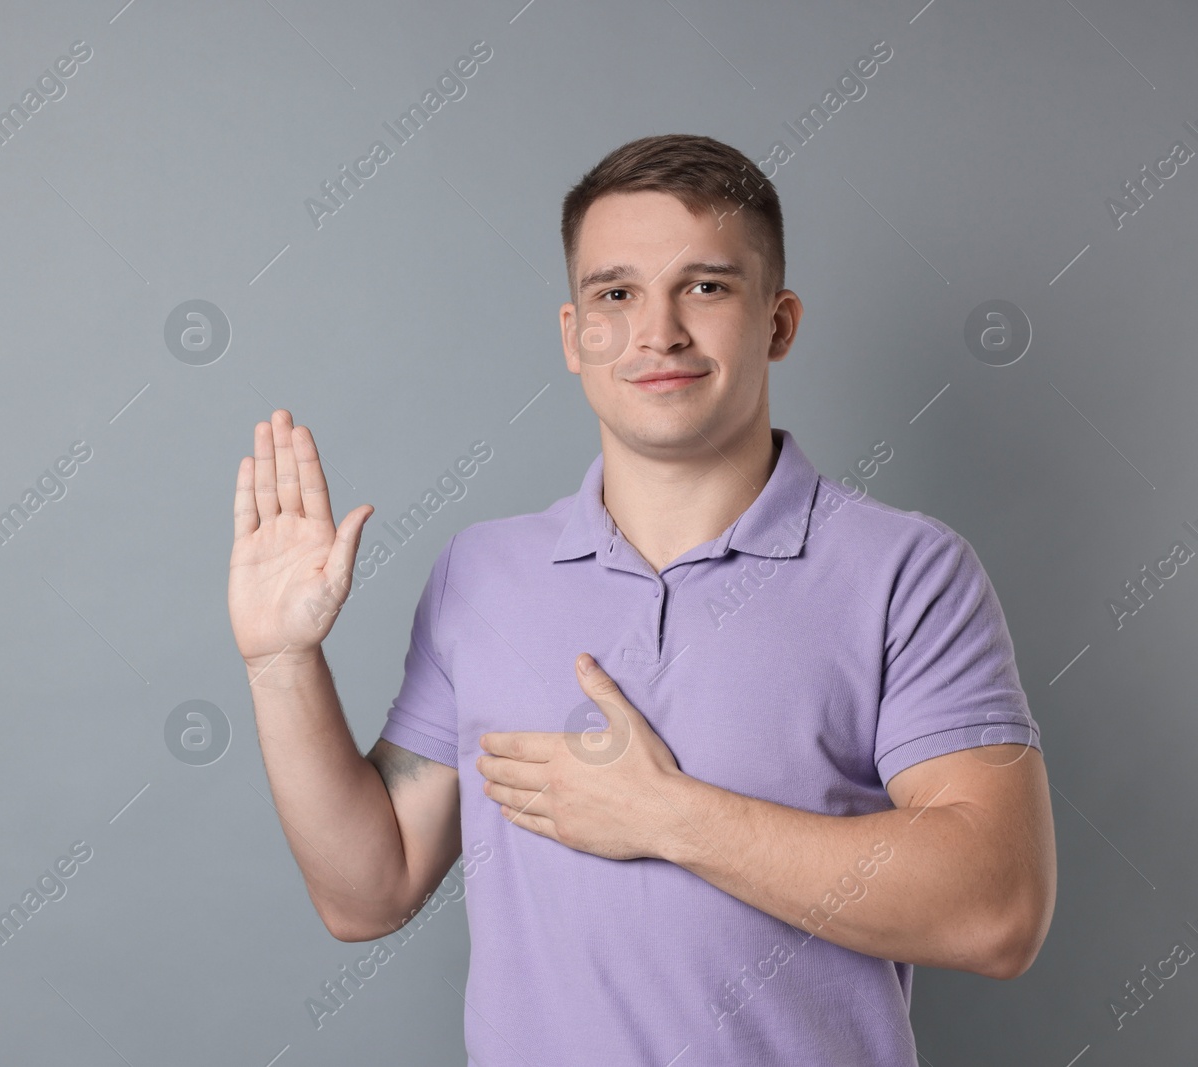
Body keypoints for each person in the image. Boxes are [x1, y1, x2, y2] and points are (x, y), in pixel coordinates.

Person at [228, 133, 1055, 1065]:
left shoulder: (909, 571)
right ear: (575, 335)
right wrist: (280, 663)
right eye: (615, 294)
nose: (656, 331)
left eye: (705, 286)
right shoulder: (482, 574)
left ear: (778, 323)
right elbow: (367, 891)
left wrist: (667, 816)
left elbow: (998, 908)